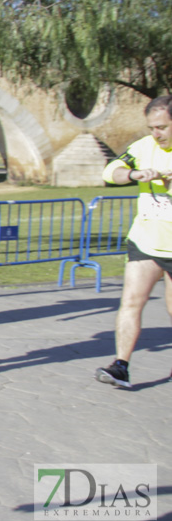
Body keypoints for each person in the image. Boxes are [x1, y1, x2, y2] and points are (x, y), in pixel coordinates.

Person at [95, 95, 172, 388]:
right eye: (152, 127)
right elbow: (109, 172)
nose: (156, 133)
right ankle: (121, 366)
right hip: (145, 241)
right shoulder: (143, 147)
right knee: (130, 302)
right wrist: (134, 173)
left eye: (162, 127)